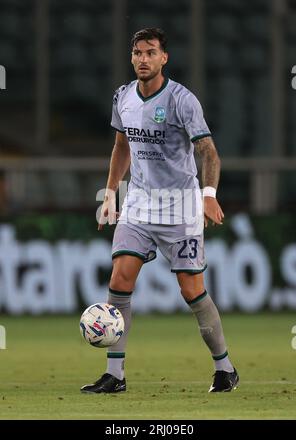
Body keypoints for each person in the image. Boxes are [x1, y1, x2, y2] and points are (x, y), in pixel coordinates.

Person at [81, 28, 239, 394]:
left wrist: (209, 194)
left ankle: (225, 368)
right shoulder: (123, 97)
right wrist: (111, 192)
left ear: (164, 58)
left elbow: (208, 152)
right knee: (120, 279)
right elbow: (121, 146)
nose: (143, 59)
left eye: (151, 53)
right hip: (138, 203)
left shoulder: (182, 100)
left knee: (191, 291)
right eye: (137, 53)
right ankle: (115, 375)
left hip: (180, 209)